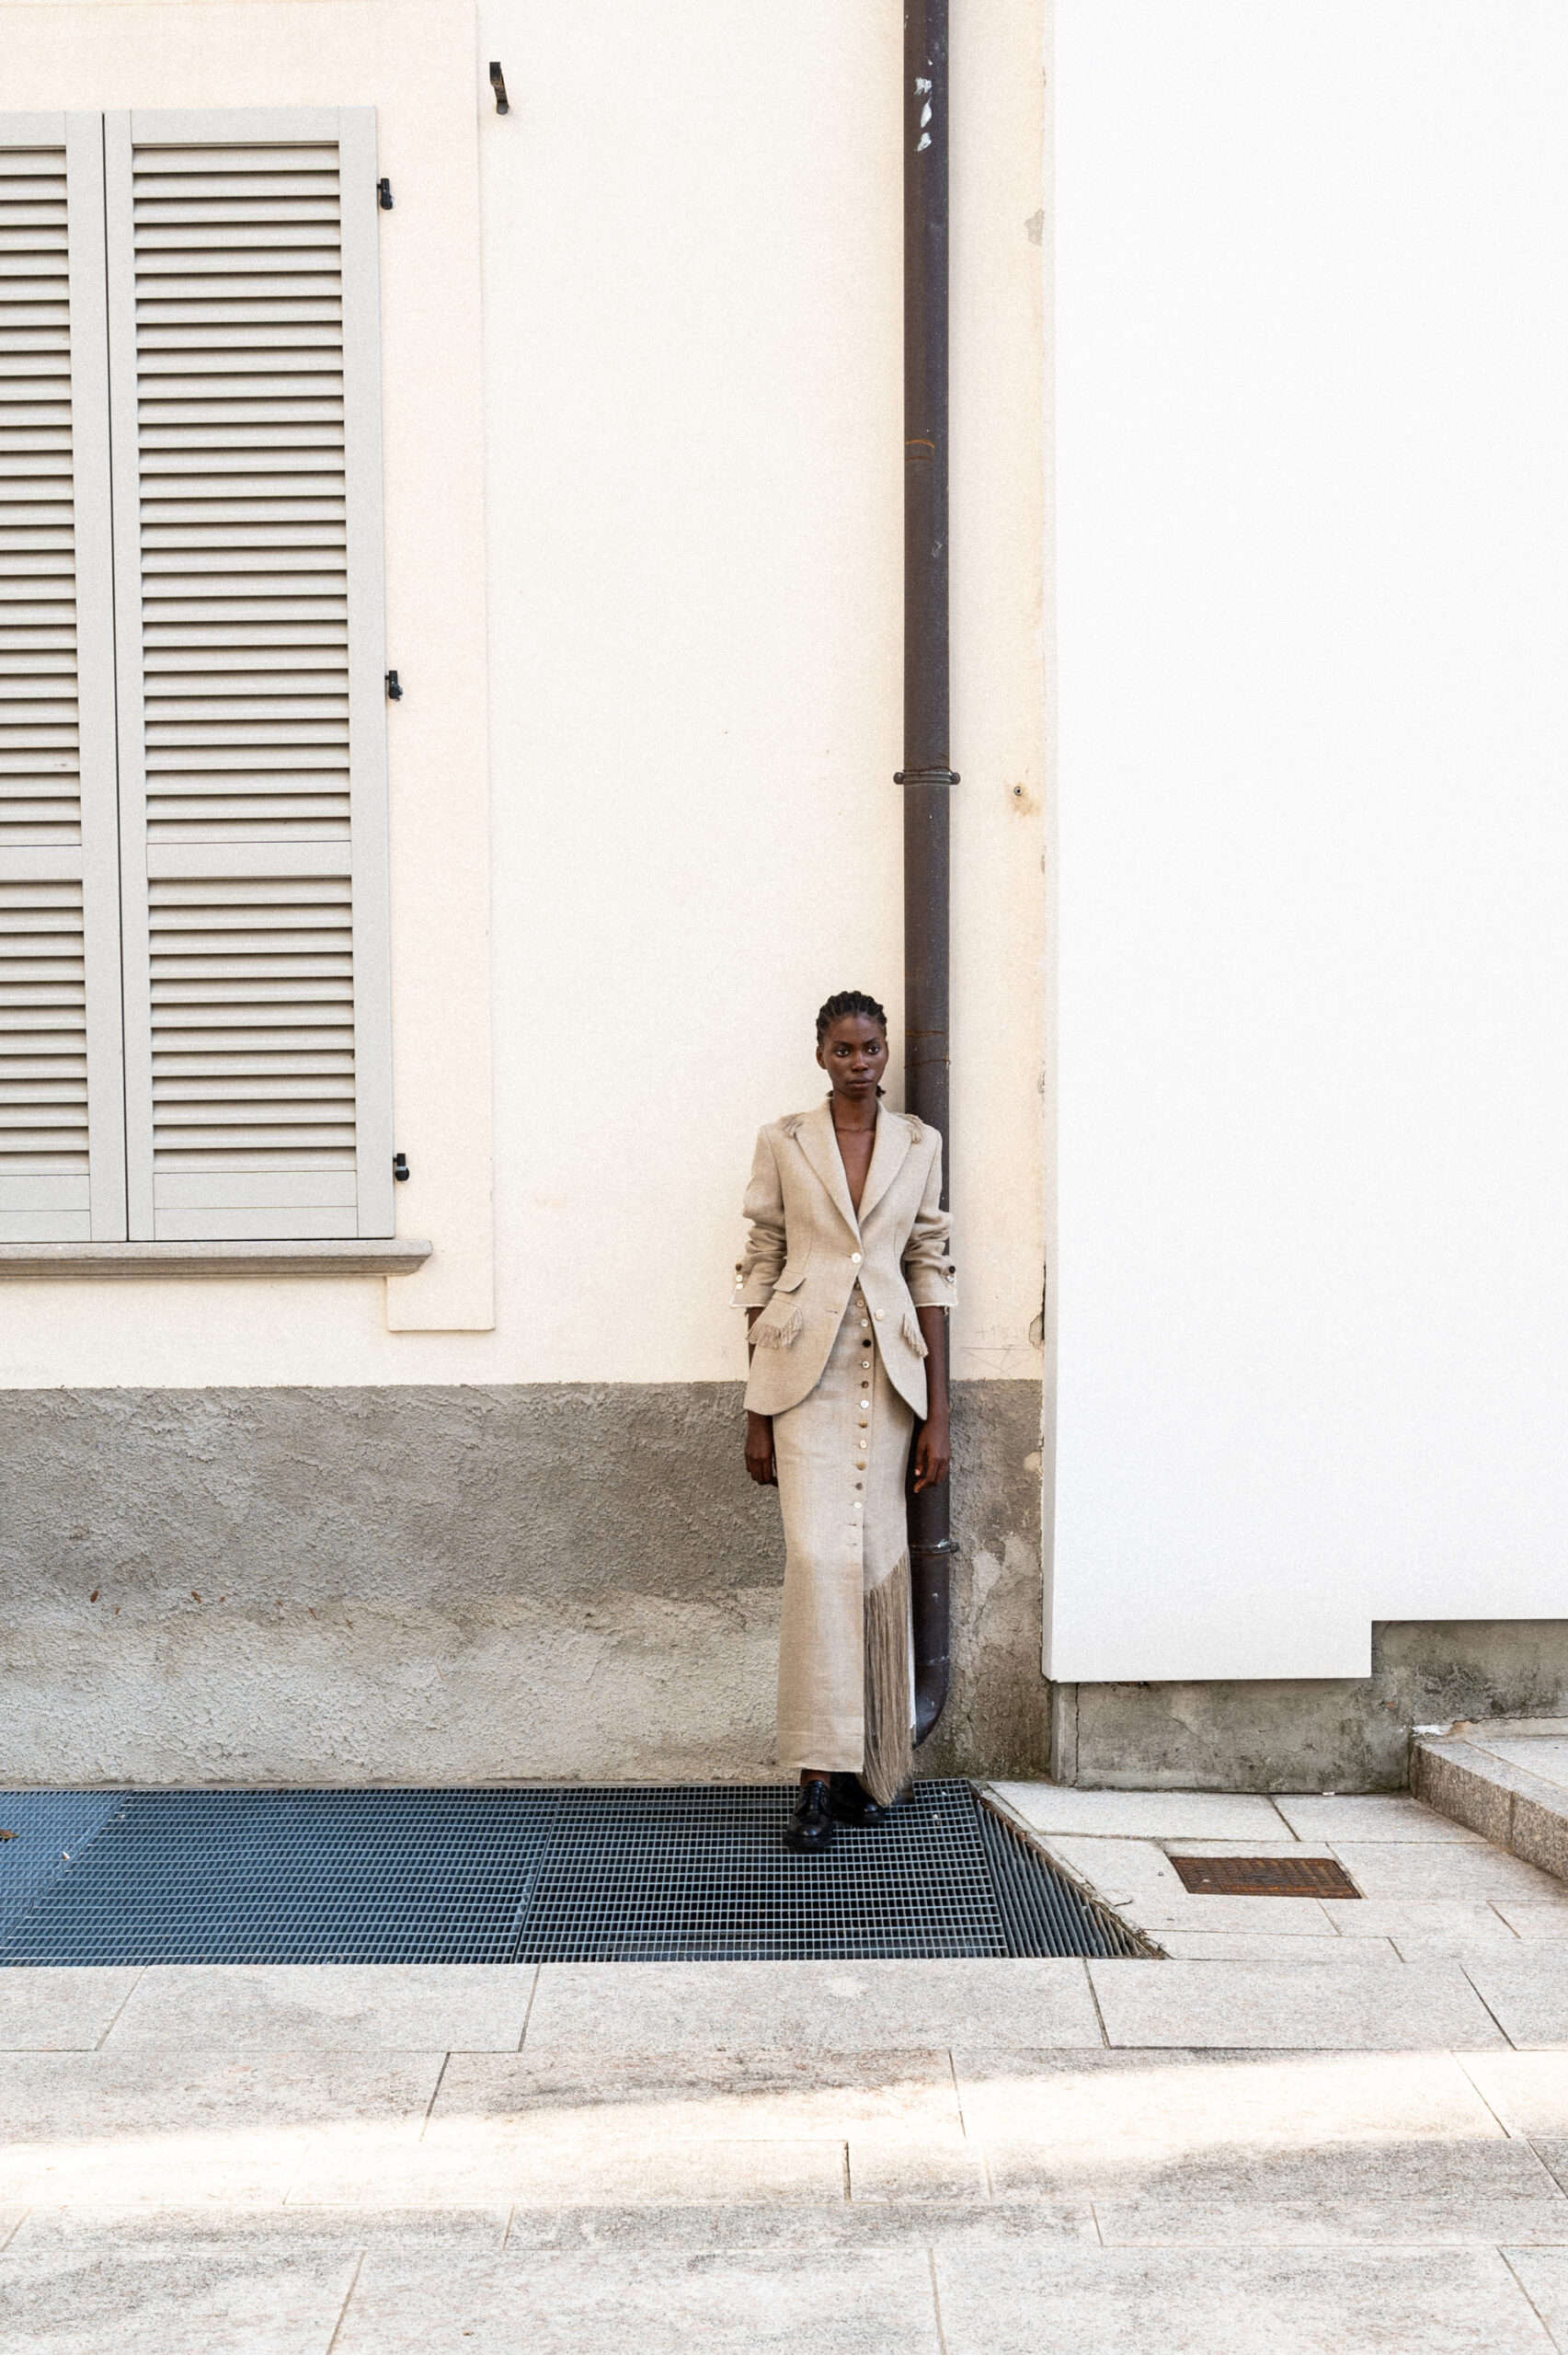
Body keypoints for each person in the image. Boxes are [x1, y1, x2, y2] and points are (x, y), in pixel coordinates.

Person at [734, 991, 956, 1853]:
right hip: (804, 1378)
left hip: (889, 1380)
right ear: (820, 1054)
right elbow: (761, 1262)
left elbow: (927, 1266)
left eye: (870, 1048)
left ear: (886, 1050)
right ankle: (814, 1781)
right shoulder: (784, 1141)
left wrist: (937, 1413)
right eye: (842, 1049)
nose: (858, 1062)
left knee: (874, 1566)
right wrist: (756, 1408)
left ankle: (871, 1771)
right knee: (817, 1563)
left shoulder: (918, 1144)